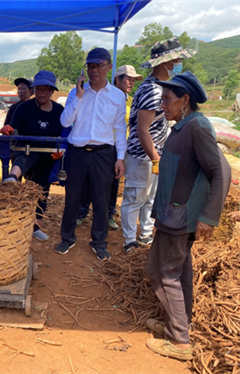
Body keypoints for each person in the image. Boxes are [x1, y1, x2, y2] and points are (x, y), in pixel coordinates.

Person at [144, 71, 231, 360]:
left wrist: (209, 216)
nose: (163, 106)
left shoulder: (198, 127)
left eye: (167, 100)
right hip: (172, 214)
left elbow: (221, 172)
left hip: (182, 217)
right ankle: (178, 325)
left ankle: (180, 341)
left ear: (185, 99)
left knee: (163, 273)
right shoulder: (183, 127)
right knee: (178, 272)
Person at [120, 38, 195, 252]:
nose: (179, 63)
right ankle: (129, 241)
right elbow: (143, 129)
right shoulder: (153, 91)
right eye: (177, 59)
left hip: (154, 154)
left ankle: (145, 235)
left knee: (150, 198)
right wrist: (154, 158)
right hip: (143, 155)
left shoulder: (159, 87)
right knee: (136, 198)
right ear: (166, 63)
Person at [55, 48, 126, 260]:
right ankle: (67, 238)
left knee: (101, 200)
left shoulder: (117, 96)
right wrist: (77, 96)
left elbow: (120, 128)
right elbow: (64, 122)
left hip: (104, 154)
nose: (94, 70)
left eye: (98, 66)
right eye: (90, 66)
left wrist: (120, 157)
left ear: (109, 67)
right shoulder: (76, 93)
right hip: (77, 153)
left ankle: (99, 242)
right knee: (72, 198)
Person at [76, 65, 143, 231]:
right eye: (128, 79)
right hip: (103, 147)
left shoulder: (129, 101)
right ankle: (82, 212)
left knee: (113, 184)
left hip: (117, 149)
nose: (131, 83)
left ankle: (108, 214)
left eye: (133, 80)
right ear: (118, 79)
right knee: (88, 182)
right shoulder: (107, 96)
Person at [0, 71, 64, 241]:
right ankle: (12, 178)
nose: (42, 93)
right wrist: (8, 130)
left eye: (46, 89)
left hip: (49, 157)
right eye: (39, 89)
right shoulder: (23, 108)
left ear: (52, 91)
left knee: (42, 190)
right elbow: (12, 129)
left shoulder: (59, 111)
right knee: (22, 183)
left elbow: (65, 134)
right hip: (26, 152)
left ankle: (34, 226)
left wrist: (61, 150)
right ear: (34, 90)